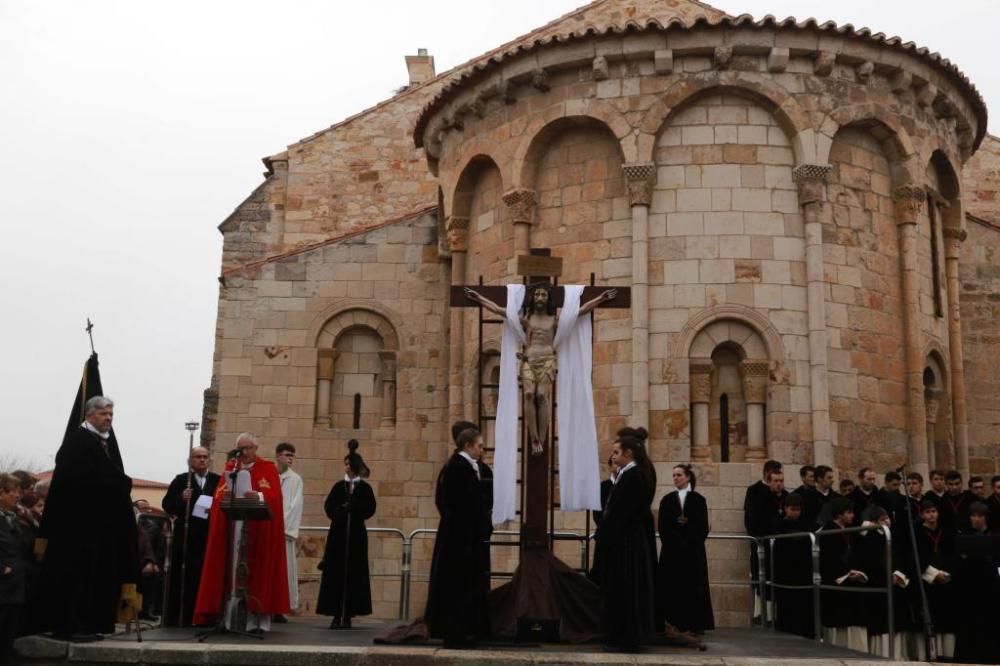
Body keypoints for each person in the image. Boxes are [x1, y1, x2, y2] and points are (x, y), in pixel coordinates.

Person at [466, 284, 615, 456]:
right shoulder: (526, 319)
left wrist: (600, 299)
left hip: (547, 361)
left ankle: (541, 439)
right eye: (537, 294)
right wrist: (479, 298)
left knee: (542, 396)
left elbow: (579, 312)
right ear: (533, 298)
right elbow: (500, 310)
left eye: (543, 295)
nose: (540, 297)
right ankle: (534, 437)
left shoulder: (554, 320)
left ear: (548, 299)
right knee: (529, 394)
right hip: (529, 360)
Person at [37, 396, 139, 642]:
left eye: (111, 414)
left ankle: (86, 622)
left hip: (95, 528)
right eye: (104, 414)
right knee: (73, 575)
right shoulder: (78, 442)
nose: (109, 419)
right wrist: (118, 483)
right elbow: (84, 480)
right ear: (89, 415)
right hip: (74, 527)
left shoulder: (101, 443)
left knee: (92, 576)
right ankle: (68, 626)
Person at [193, 433, 289, 633]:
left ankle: (258, 621)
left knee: (258, 572)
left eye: (247, 448)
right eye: (240, 448)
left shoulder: (267, 468)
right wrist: (225, 495)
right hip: (234, 527)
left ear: (255, 448)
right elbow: (218, 494)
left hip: (259, 528)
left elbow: (275, 497)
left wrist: (259, 495)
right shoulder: (231, 468)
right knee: (233, 570)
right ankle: (229, 620)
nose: (243, 452)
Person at [423, 426, 491, 647]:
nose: (482, 450)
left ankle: (464, 630)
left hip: (460, 536)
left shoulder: (461, 467)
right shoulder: (458, 468)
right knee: (458, 586)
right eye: (479, 446)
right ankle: (457, 632)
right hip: (460, 539)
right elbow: (461, 504)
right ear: (468, 445)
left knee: (462, 584)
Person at [596, 432, 656, 653]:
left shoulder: (634, 476)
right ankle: (618, 636)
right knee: (620, 590)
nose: (613, 456)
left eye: (616, 452)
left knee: (627, 591)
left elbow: (622, 512)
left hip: (626, 543)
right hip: (623, 541)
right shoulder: (627, 475)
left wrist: (606, 534)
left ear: (628, 453)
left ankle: (626, 640)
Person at [316, 440, 376, 629]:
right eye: (346, 464)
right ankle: (335, 613)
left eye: (350, 464)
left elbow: (370, 508)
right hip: (338, 535)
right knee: (336, 573)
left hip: (356, 535)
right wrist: (340, 511)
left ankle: (348, 613)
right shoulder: (338, 486)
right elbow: (329, 507)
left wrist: (355, 508)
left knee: (353, 573)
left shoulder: (364, 489)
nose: (347, 468)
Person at [161, 446, 220, 627]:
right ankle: (180, 617)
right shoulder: (181, 480)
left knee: (205, 576)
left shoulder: (217, 480)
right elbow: (167, 505)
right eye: (197, 457)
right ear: (190, 461)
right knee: (184, 575)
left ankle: (205, 616)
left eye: (204, 457)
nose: (202, 460)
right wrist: (181, 498)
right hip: (186, 536)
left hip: (209, 536)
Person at [656, 464, 713, 635]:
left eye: (679, 475)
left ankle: (694, 623)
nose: (676, 478)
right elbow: (663, 526)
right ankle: (671, 622)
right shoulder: (667, 500)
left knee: (693, 586)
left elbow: (702, 526)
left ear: (688, 477)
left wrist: (688, 542)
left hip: (692, 552)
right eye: (674, 475)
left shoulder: (698, 500)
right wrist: (676, 542)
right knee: (672, 588)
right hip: (672, 552)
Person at [855, 505, 914, 658]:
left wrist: (899, 573)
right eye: (882, 519)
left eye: (887, 518)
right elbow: (870, 563)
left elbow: (902, 558)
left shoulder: (895, 536)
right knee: (883, 627)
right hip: (879, 587)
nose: (886, 522)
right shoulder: (870, 538)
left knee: (897, 624)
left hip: (895, 587)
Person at [818, 497, 868, 652]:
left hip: (853, 581)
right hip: (836, 583)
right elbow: (828, 559)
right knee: (838, 621)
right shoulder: (828, 531)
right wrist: (844, 575)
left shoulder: (851, 532)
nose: (852, 516)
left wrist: (859, 572)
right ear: (839, 514)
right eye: (849, 513)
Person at [953, 502, 1000, 663]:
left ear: (986, 518)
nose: (977, 519)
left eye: (980, 516)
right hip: (969, 590)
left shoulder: (995, 536)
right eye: (973, 515)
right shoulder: (963, 536)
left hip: (991, 589)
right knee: (969, 628)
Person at [913, 500, 957, 660]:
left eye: (933, 511)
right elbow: (916, 556)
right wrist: (934, 573)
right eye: (927, 512)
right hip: (927, 580)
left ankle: (946, 655)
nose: (931, 515)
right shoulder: (917, 532)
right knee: (930, 617)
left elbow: (953, 554)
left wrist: (947, 573)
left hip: (946, 580)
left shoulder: (946, 531)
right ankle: (929, 655)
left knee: (946, 617)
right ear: (922, 514)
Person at [747, 466, 787, 620]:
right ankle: (765, 614)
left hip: (780, 547)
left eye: (781, 481)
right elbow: (755, 521)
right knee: (765, 578)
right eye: (776, 481)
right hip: (765, 544)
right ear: (769, 482)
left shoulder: (786, 497)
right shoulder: (761, 498)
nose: (779, 484)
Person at [772, 493, 813, 638]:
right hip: (786, 570)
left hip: (802, 570)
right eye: (793, 509)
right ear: (786, 508)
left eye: (798, 509)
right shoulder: (778, 523)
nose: (796, 513)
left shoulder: (806, 523)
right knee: (787, 604)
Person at [274, 442, 303, 623]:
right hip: (269, 531)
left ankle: (280, 608)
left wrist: (280, 525)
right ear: (278, 456)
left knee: (285, 572)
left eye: (292, 456)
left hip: (283, 533)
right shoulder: (269, 476)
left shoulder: (295, 479)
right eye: (287, 455)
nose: (290, 459)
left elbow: (295, 506)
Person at [0, 474, 27, 661]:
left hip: (14, 584)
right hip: (3, 582)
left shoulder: (13, 517)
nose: (18, 496)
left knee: (8, 634)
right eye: (13, 491)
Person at [134, 500, 168, 621]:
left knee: (155, 576)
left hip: (149, 560)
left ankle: (146, 610)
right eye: (143, 508)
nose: (147, 511)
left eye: (148, 508)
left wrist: (151, 562)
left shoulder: (152, 525)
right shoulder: (138, 522)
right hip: (135, 560)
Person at [588, 455, 617, 584]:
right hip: (605, 532)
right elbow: (597, 511)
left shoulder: (626, 484)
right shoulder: (604, 486)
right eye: (615, 464)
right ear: (611, 466)